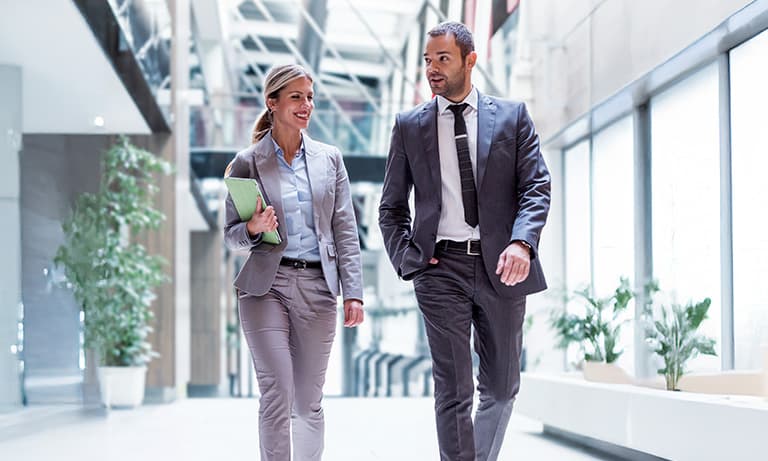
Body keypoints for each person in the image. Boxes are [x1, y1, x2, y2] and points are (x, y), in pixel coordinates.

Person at [378, 21, 551, 461]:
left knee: (501, 386)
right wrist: (410, 261)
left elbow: (536, 187)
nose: (432, 70)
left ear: (470, 60)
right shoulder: (409, 126)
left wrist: (522, 243)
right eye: (427, 61)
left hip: (503, 267)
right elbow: (391, 207)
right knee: (453, 390)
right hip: (440, 270)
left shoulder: (513, 117)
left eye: (443, 59)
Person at [224, 64, 364, 461]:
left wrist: (353, 293)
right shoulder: (247, 162)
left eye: (310, 96)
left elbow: (345, 231)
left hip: (319, 289)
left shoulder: (330, 159)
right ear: (273, 103)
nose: (307, 105)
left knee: (306, 403)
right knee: (277, 392)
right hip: (265, 287)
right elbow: (230, 234)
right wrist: (252, 227)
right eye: (297, 97)